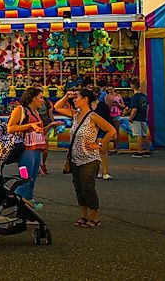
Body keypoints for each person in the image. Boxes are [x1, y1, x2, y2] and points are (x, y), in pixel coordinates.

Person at [53, 88, 117, 228]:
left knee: (88, 187)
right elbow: (57, 107)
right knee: (78, 187)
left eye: (77, 98)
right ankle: (83, 215)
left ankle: (95, 217)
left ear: (85, 99)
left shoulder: (93, 116)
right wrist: (66, 96)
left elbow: (111, 130)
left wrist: (98, 144)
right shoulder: (75, 115)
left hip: (90, 159)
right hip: (75, 158)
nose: (74, 100)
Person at [7, 88, 48, 209]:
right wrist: (30, 125)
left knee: (32, 181)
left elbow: (39, 130)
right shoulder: (20, 110)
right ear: (33, 98)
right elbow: (11, 128)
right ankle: (20, 208)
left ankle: (29, 207)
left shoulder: (35, 112)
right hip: (25, 151)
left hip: (36, 150)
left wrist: (51, 125)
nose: (43, 101)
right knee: (24, 180)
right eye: (41, 97)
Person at [128, 84, 151, 157]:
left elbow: (134, 109)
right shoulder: (144, 96)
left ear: (132, 86)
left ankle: (139, 151)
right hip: (143, 117)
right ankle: (147, 150)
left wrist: (131, 118)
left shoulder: (135, 97)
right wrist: (146, 116)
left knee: (139, 134)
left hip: (137, 118)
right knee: (145, 134)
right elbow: (147, 107)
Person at [106, 87, 125, 155]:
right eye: (109, 89)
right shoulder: (107, 96)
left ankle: (117, 148)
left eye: (111, 89)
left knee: (117, 131)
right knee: (108, 131)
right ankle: (108, 149)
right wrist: (111, 103)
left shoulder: (118, 95)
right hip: (109, 115)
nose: (110, 91)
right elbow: (106, 106)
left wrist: (118, 104)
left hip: (117, 114)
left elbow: (123, 105)